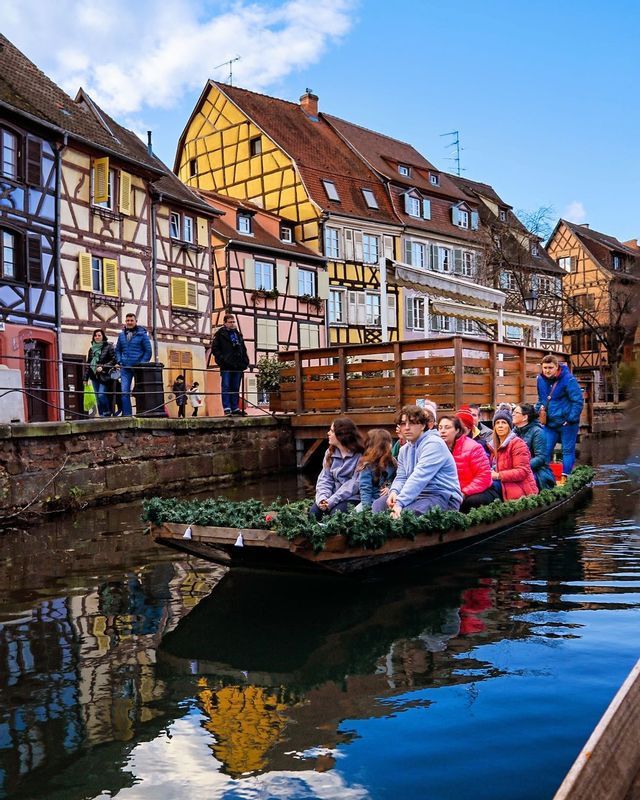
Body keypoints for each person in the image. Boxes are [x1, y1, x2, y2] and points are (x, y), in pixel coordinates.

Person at [372, 405, 462, 518]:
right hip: (416, 495)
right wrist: (394, 492)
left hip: (442, 496)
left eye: (413, 423)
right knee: (378, 505)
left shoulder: (434, 444)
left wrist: (400, 502)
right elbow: (401, 477)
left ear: (423, 425)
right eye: (403, 424)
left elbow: (419, 477)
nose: (407, 428)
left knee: (407, 514)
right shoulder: (404, 449)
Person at [536, 354, 584, 475]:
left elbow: (578, 400)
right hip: (550, 423)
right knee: (545, 451)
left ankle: (565, 477)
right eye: (545, 367)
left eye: (550, 367)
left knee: (567, 451)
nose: (547, 370)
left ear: (557, 367)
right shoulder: (540, 379)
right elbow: (541, 398)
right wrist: (538, 410)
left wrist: (570, 419)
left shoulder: (568, 380)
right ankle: (545, 477)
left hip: (567, 423)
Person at [438, 415, 497, 512]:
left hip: (479, 491)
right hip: (453, 492)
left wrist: (464, 493)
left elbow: (484, 477)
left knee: (470, 502)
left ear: (457, 430)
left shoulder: (473, 447)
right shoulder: (437, 449)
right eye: (440, 428)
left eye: (447, 427)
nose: (442, 431)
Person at [310, 417, 365, 520]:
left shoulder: (360, 455)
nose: (328, 433)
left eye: (331, 431)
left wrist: (331, 501)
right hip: (331, 496)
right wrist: (323, 499)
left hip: (352, 497)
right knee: (314, 513)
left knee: (336, 514)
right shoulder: (329, 453)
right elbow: (325, 479)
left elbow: (354, 484)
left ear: (341, 435)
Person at [489, 407, 539, 501]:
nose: (500, 426)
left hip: (520, 488)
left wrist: (498, 475)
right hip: (503, 484)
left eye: (504, 423)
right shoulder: (492, 446)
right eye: (497, 423)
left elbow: (522, 471)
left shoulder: (518, 443)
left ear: (509, 426)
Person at [114, 313, 152, 416]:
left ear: (136, 322)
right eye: (128, 321)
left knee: (139, 391)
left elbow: (148, 351)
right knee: (124, 392)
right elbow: (117, 350)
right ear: (125, 322)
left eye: (131, 320)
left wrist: (141, 364)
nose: (129, 322)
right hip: (125, 368)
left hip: (138, 368)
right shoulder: (121, 335)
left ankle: (142, 413)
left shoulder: (142, 335)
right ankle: (127, 415)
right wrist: (119, 361)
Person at [513, 403, 556, 490]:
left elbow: (540, 457)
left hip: (537, 471)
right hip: (516, 469)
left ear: (525, 417)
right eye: (513, 412)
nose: (513, 414)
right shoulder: (514, 432)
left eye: (516, 413)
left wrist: (522, 467)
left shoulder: (537, 432)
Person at [355, 428, 397, 511]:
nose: (391, 445)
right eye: (389, 442)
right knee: (355, 514)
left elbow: (397, 479)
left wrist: (390, 488)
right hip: (370, 501)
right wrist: (366, 509)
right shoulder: (368, 466)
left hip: (388, 500)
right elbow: (365, 488)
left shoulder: (393, 462)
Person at [84, 329, 116, 417]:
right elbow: (88, 364)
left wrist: (103, 366)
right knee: (97, 397)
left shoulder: (109, 346)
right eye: (95, 336)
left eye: (99, 335)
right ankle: (101, 414)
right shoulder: (91, 349)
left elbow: (114, 359)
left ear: (103, 337)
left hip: (104, 375)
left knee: (101, 395)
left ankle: (107, 412)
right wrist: (85, 378)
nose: (97, 337)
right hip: (94, 375)